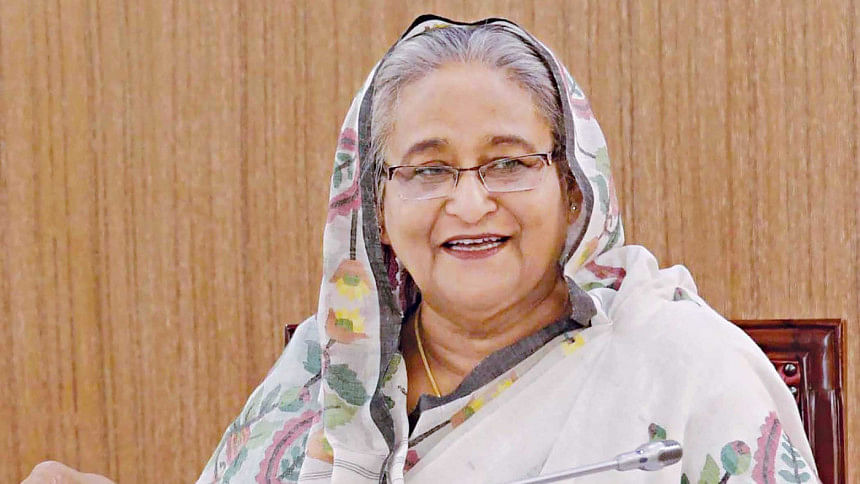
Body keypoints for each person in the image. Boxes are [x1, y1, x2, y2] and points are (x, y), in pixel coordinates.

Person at [24, 15, 819, 484]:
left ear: (576, 189)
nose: (469, 203)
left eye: (509, 162)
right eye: (429, 169)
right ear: (375, 206)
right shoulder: (324, 370)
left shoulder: (686, 372)